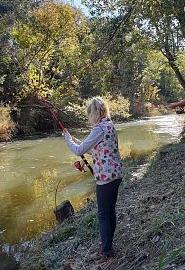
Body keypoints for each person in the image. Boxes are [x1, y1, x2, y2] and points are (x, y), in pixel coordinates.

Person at [63, 97, 123, 261]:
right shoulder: (109, 125)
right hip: (116, 174)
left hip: (106, 178)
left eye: (89, 114)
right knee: (110, 211)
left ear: (94, 113)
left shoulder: (98, 129)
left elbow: (79, 151)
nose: (88, 118)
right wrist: (77, 141)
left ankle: (106, 252)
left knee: (103, 215)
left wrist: (68, 139)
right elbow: (99, 150)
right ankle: (108, 245)